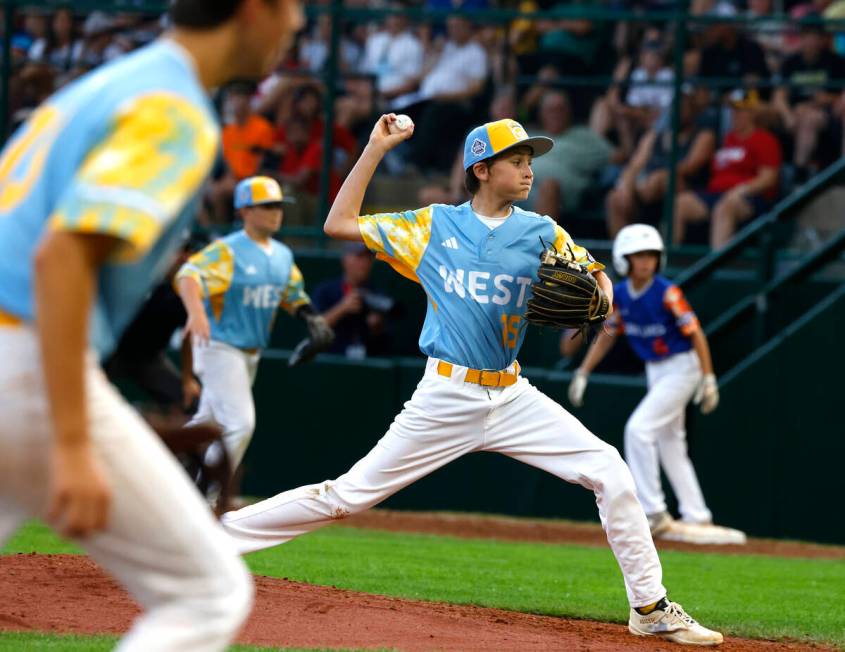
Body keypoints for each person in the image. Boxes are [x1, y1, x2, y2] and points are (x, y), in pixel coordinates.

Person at [220, 115, 724, 646]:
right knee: (347, 496)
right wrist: (373, 147)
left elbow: (598, 279)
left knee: (612, 473)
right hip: (446, 393)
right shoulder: (433, 226)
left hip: (511, 394)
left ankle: (649, 606)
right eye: (517, 161)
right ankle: (214, 540)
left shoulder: (541, 231)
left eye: (530, 161)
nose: (529, 171)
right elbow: (338, 224)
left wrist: (601, 295)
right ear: (481, 169)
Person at [0, 1, 304, 650]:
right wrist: (76, 441)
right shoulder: (171, 108)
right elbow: (60, 257)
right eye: (294, 6)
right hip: (18, 356)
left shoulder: (109, 84)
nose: (299, 24)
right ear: (254, 10)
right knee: (206, 594)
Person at [568, 224, 747, 546]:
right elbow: (608, 337)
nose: (645, 262)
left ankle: (654, 511)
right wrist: (583, 372)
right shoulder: (620, 295)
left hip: (682, 368)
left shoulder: (667, 292)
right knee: (671, 443)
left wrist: (708, 378)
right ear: (625, 260)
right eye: (638, 256)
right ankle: (698, 515)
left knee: (639, 430)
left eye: (650, 255)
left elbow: (696, 334)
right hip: (656, 370)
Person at [177, 176, 334, 478]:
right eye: (267, 206)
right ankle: (205, 493)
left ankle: (154, 460)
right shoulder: (228, 249)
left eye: (278, 206)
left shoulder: (282, 255)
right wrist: (196, 312)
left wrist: (311, 318)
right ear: (244, 211)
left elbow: (292, 294)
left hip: (249, 352)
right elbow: (188, 275)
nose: (276, 212)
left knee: (206, 424)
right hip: (218, 344)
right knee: (240, 423)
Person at [674, 89, 782, 248]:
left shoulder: (765, 139)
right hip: (716, 194)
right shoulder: (727, 139)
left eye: (741, 110)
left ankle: (716, 266)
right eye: (733, 110)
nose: (735, 114)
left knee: (724, 207)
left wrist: (742, 190)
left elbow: (769, 178)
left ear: (752, 113)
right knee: (680, 203)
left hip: (748, 198)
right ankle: (670, 264)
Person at [605, 85, 716, 237]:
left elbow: (691, 165)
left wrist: (660, 176)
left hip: (686, 188)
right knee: (615, 198)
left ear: (693, 109)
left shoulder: (703, 135)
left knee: (666, 180)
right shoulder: (655, 135)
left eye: (685, 105)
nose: (679, 110)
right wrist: (626, 184)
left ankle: (668, 249)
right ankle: (623, 253)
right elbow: (636, 164)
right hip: (646, 187)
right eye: (676, 104)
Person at [312, 243, 398, 358]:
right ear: (345, 259)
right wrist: (343, 308)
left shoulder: (377, 295)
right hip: (331, 361)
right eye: (359, 256)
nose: (364, 263)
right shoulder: (325, 291)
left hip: (367, 364)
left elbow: (387, 340)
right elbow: (314, 328)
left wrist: (376, 326)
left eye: (368, 258)